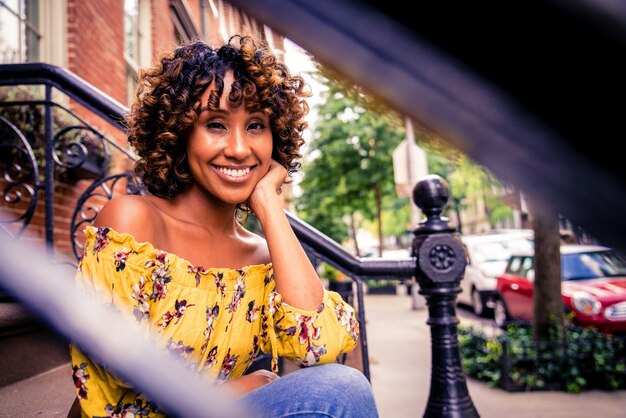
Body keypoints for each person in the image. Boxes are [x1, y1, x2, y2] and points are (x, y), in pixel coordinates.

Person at [68, 35, 378, 417]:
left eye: (255, 126)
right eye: (215, 124)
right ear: (180, 133)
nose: (238, 148)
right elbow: (118, 364)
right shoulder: (132, 221)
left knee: (342, 387)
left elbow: (321, 346)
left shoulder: (261, 257)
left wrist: (269, 206)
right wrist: (235, 391)